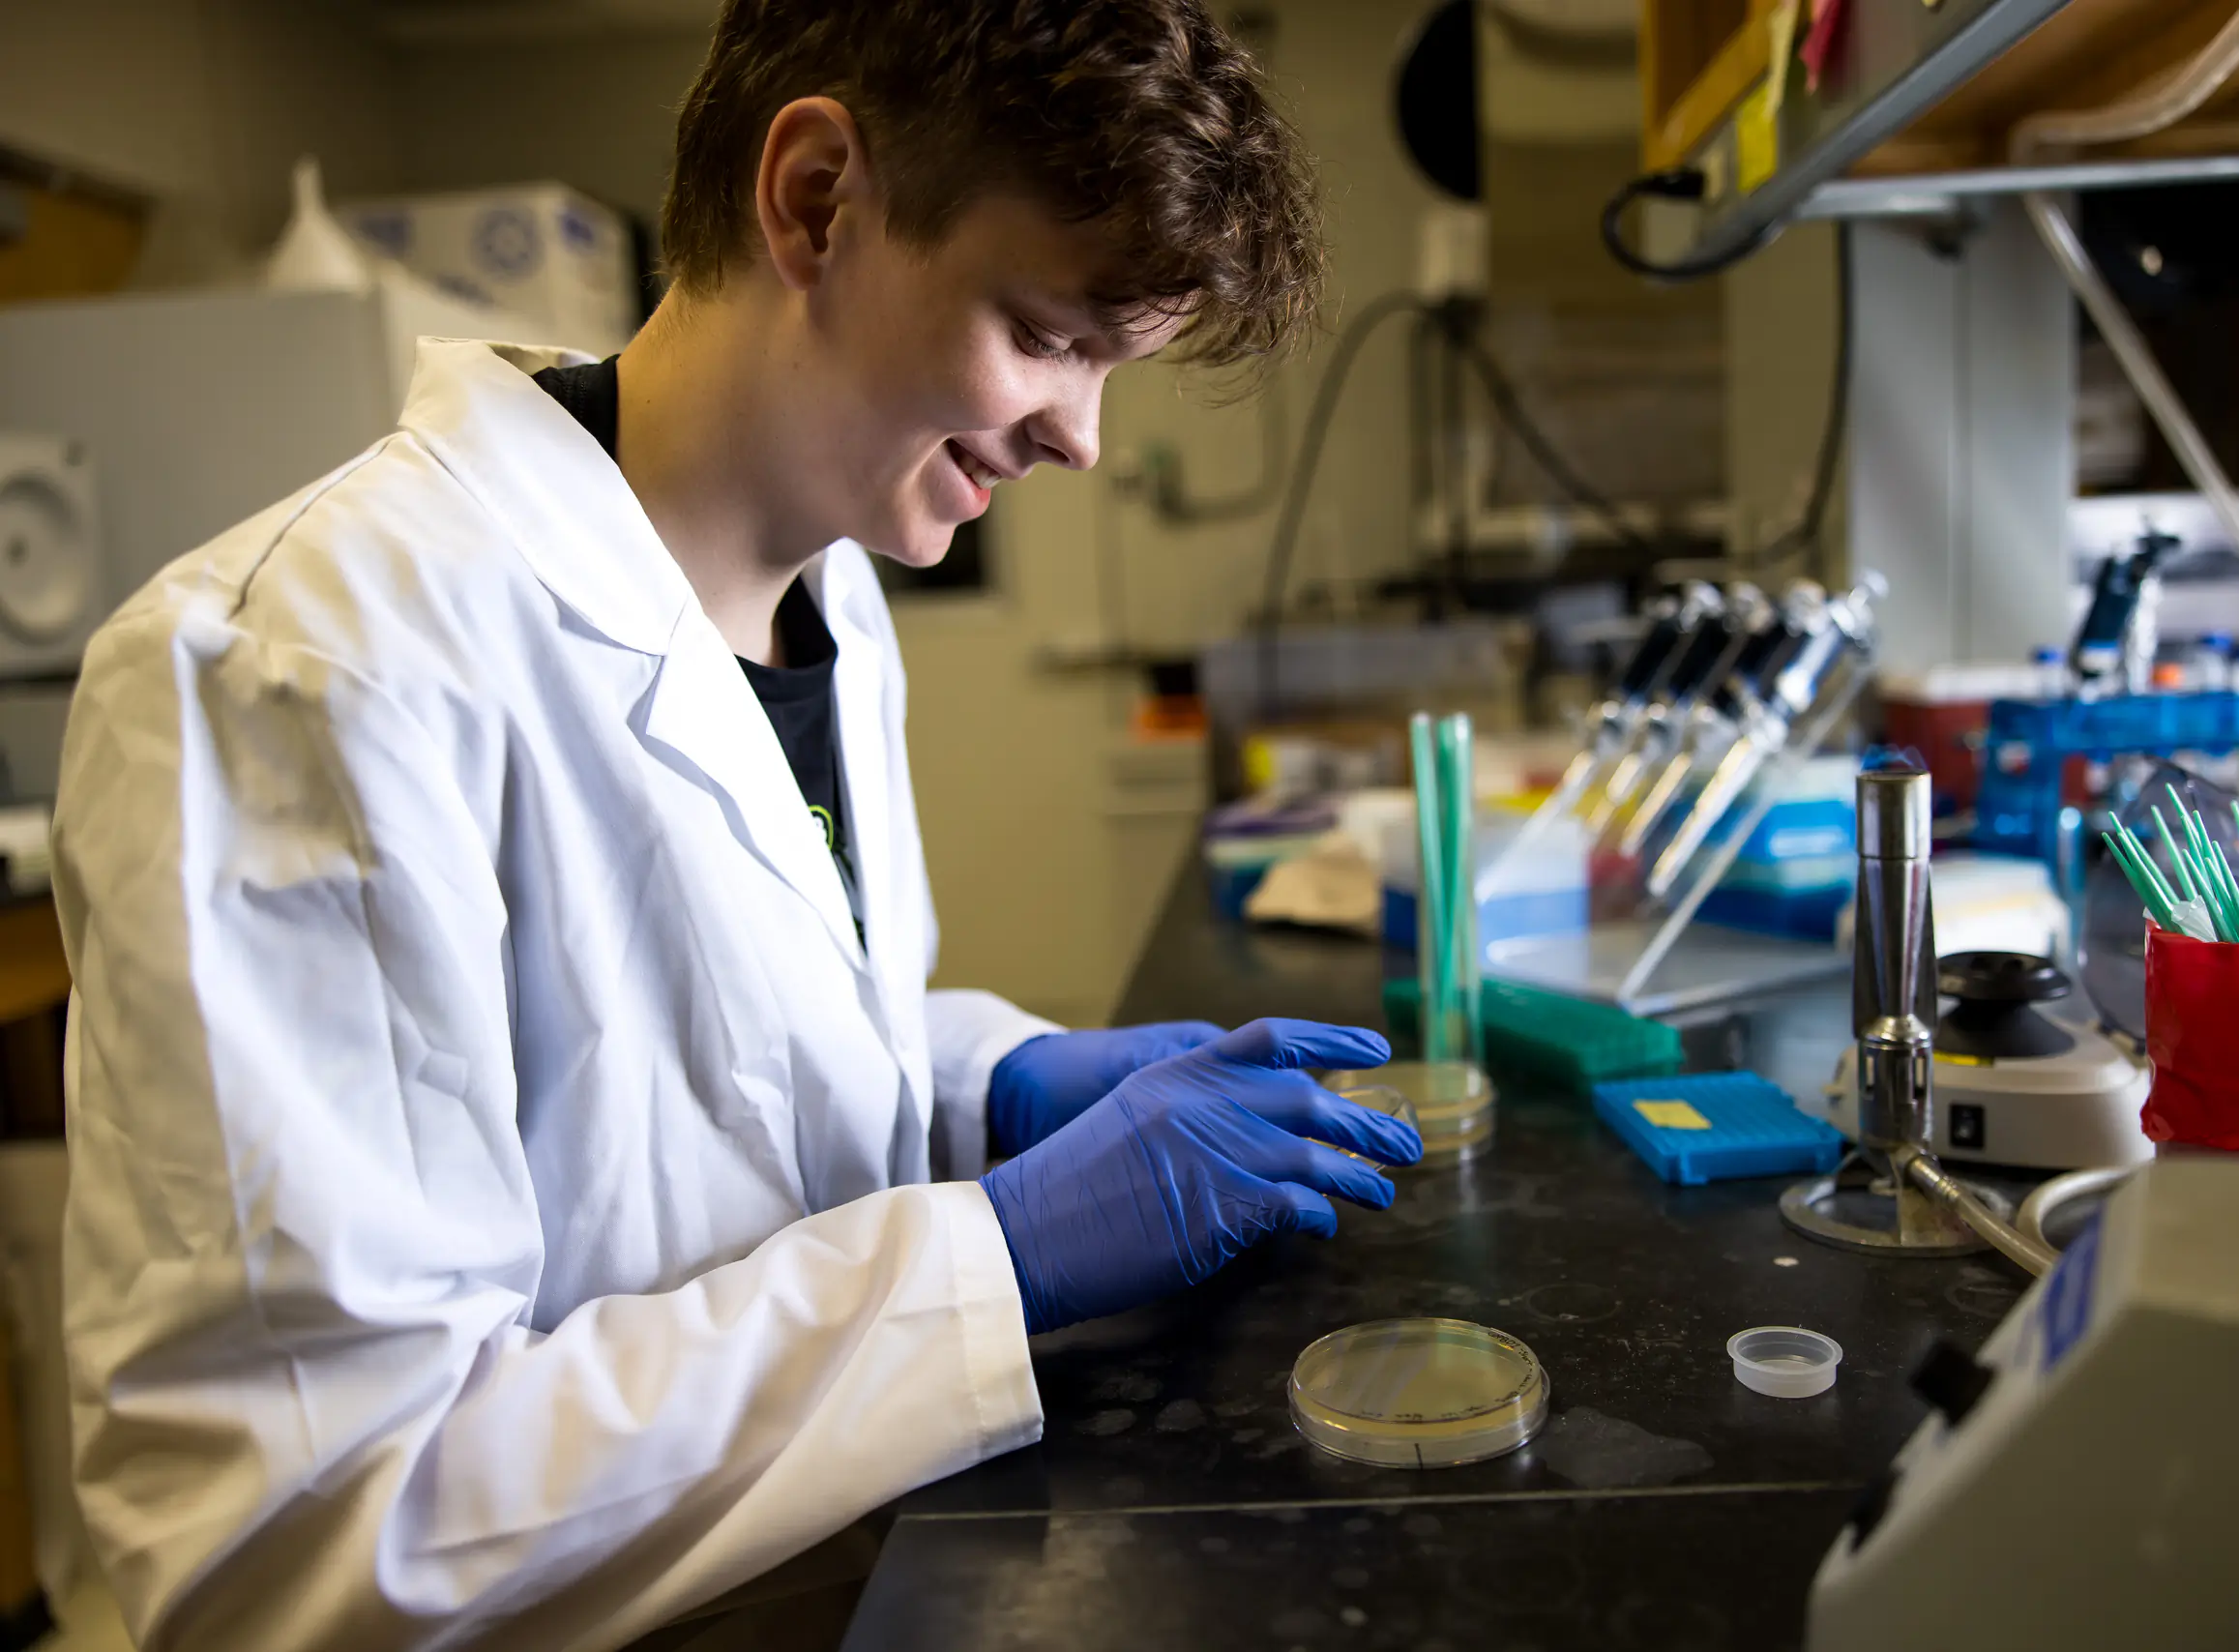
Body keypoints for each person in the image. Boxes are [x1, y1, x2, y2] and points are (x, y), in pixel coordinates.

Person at [48, 4, 1422, 1648]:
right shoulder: (304, 664)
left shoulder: (830, 595)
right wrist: (995, 1255)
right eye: (1049, 332)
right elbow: (304, 1544)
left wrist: (980, 1094)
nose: (1084, 435)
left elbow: (702, 1075)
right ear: (820, 197)